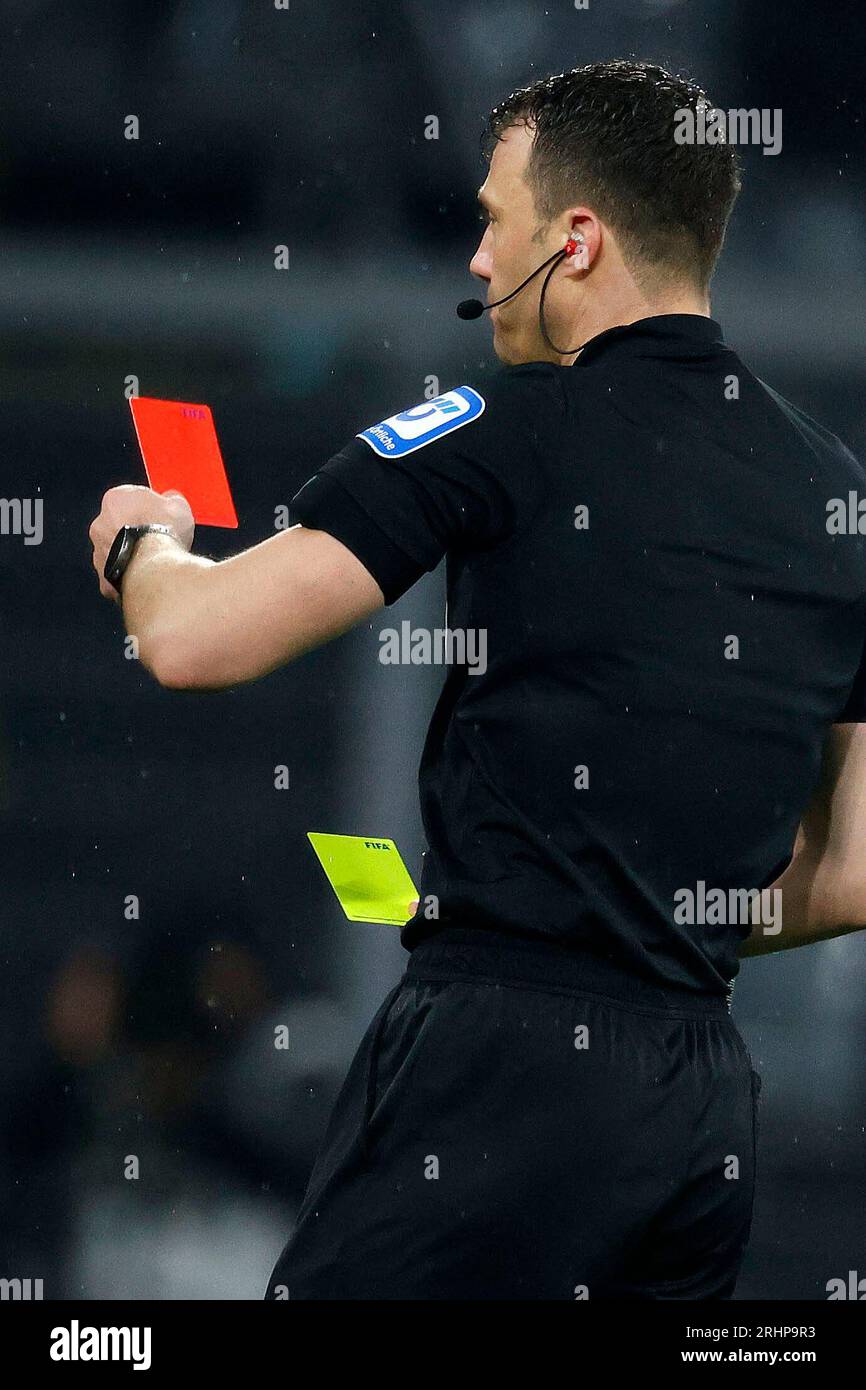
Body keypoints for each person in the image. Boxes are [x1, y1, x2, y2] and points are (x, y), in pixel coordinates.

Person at [89, 60, 866, 1299]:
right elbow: (851, 869)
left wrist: (145, 539)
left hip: (502, 1061)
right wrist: (655, 921)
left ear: (574, 238)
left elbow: (195, 640)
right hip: (702, 1102)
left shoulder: (497, 426)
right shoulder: (837, 499)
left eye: (491, 218)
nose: (471, 256)